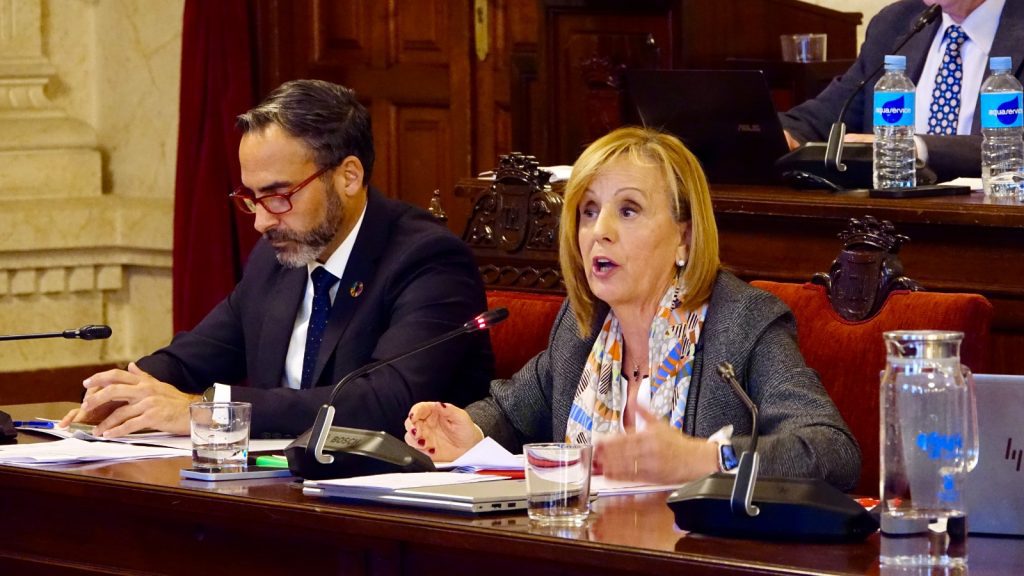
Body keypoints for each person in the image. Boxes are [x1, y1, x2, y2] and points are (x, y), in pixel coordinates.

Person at [404, 126, 860, 490]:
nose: (599, 231)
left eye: (628, 211)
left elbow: (832, 451)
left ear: (684, 236)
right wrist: (468, 430)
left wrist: (706, 459)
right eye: (588, 210)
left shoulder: (741, 323)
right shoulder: (583, 329)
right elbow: (510, 411)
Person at [61, 79, 493, 439]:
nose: (262, 221)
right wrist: (125, 390)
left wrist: (209, 410)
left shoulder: (428, 261)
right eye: (252, 198)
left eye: (279, 195)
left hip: (390, 499)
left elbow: (384, 402)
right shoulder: (277, 259)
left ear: (349, 176)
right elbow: (195, 356)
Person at [780, 0, 1023, 181]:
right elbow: (829, 114)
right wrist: (783, 133)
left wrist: (912, 147)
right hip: (892, 214)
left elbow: (1013, 146)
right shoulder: (894, 22)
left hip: (995, 217)